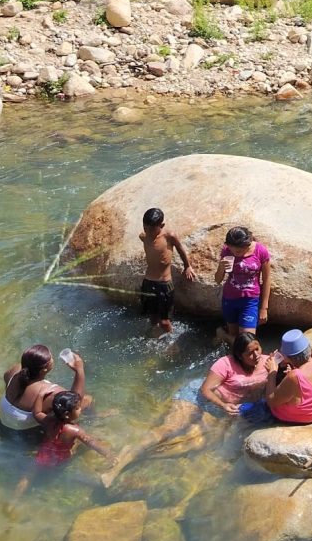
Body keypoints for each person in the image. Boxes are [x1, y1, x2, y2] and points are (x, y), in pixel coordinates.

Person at [100, 333, 270, 488]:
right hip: (197, 398)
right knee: (168, 430)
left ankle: (140, 455)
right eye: (250, 353)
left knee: (202, 443)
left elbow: (291, 364)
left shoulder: (267, 362)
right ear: (240, 356)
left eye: (257, 348)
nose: (256, 355)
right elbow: (205, 390)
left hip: (219, 410)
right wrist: (224, 405)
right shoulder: (225, 364)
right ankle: (117, 466)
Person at [0, 345, 90, 435]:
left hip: (1, 425)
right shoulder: (51, 391)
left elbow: (11, 380)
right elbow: (75, 401)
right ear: (44, 369)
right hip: (27, 435)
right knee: (87, 399)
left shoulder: (15, 370)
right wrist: (79, 370)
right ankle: (94, 418)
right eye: (51, 358)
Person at [139, 207, 196, 335]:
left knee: (164, 321)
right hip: (148, 283)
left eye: (152, 229)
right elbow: (147, 242)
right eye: (145, 228)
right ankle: (154, 337)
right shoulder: (143, 236)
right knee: (152, 318)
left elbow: (181, 249)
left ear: (162, 225)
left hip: (163, 284)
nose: (148, 231)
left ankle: (171, 341)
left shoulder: (169, 236)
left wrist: (187, 266)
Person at [265, 329, 312, 424]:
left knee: (254, 407)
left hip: (307, 416)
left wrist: (272, 372)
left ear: (286, 357)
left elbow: (271, 401)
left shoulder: (295, 376)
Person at [213, 226, 270, 338]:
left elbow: (267, 279)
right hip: (229, 299)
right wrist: (221, 267)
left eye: (239, 251)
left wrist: (264, 308)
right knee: (233, 335)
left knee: (247, 339)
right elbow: (218, 280)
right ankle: (226, 337)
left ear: (247, 245)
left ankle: (222, 335)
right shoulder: (226, 251)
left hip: (250, 300)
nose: (236, 254)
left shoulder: (260, 251)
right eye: (233, 250)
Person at [33, 391, 115, 468]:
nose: (80, 409)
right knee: (87, 441)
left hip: (43, 454)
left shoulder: (48, 420)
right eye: (77, 408)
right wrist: (107, 454)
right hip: (60, 459)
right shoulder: (75, 430)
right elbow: (91, 442)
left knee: (37, 469)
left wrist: (40, 395)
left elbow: (37, 413)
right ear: (67, 415)